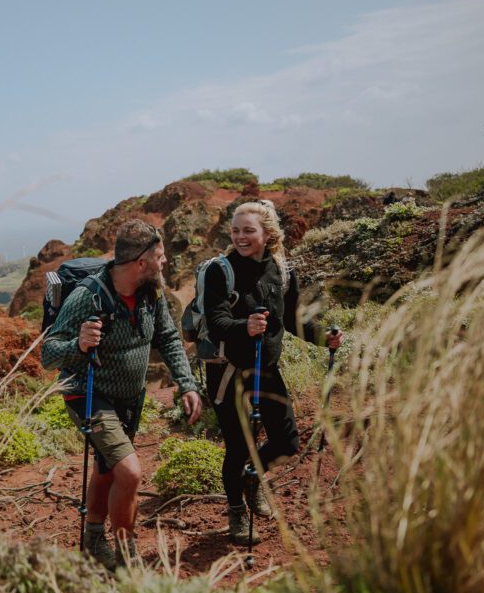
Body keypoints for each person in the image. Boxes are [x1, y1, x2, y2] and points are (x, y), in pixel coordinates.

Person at [42, 219, 202, 569]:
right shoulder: (89, 296)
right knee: (129, 473)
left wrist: (187, 384)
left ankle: (93, 539)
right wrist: (78, 343)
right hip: (88, 394)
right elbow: (48, 354)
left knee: (107, 470)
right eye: (160, 257)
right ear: (141, 262)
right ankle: (126, 555)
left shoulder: (151, 292)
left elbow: (169, 339)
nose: (164, 263)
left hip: (130, 399)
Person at [191, 200, 343, 545]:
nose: (241, 237)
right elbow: (215, 322)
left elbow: (292, 321)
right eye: (236, 230)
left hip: (266, 369)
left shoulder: (282, 271)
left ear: (267, 234)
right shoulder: (221, 270)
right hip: (228, 372)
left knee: (287, 441)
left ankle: (251, 478)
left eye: (249, 230)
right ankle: (236, 512)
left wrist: (325, 339)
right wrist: (245, 326)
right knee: (238, 444)